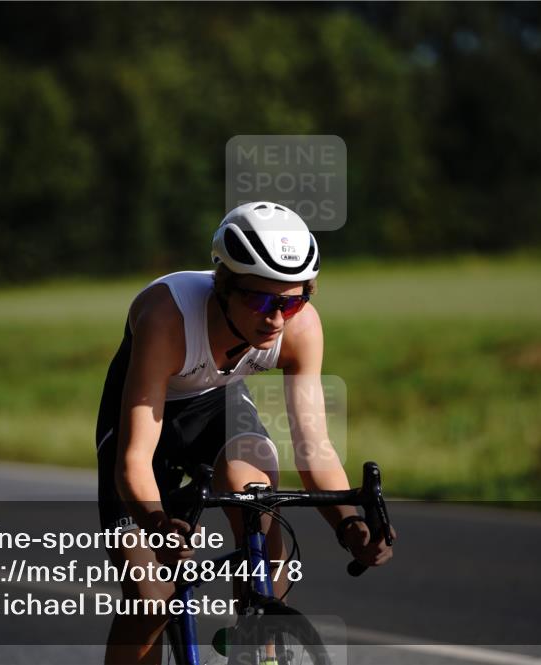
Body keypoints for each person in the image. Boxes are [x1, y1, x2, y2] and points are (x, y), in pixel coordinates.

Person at [96, 201, 394, 664]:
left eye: (292, 301)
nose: (276, 319)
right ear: (223, 286)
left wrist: (350, 526)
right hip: (145, 419)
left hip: (218, 406)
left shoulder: (300, 329)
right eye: (260, 300)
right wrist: (157, 524)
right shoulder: (166, 316)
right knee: (151, 594)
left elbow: (315, 451)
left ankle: (257, 646)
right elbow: (133, 462)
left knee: (257, 500)